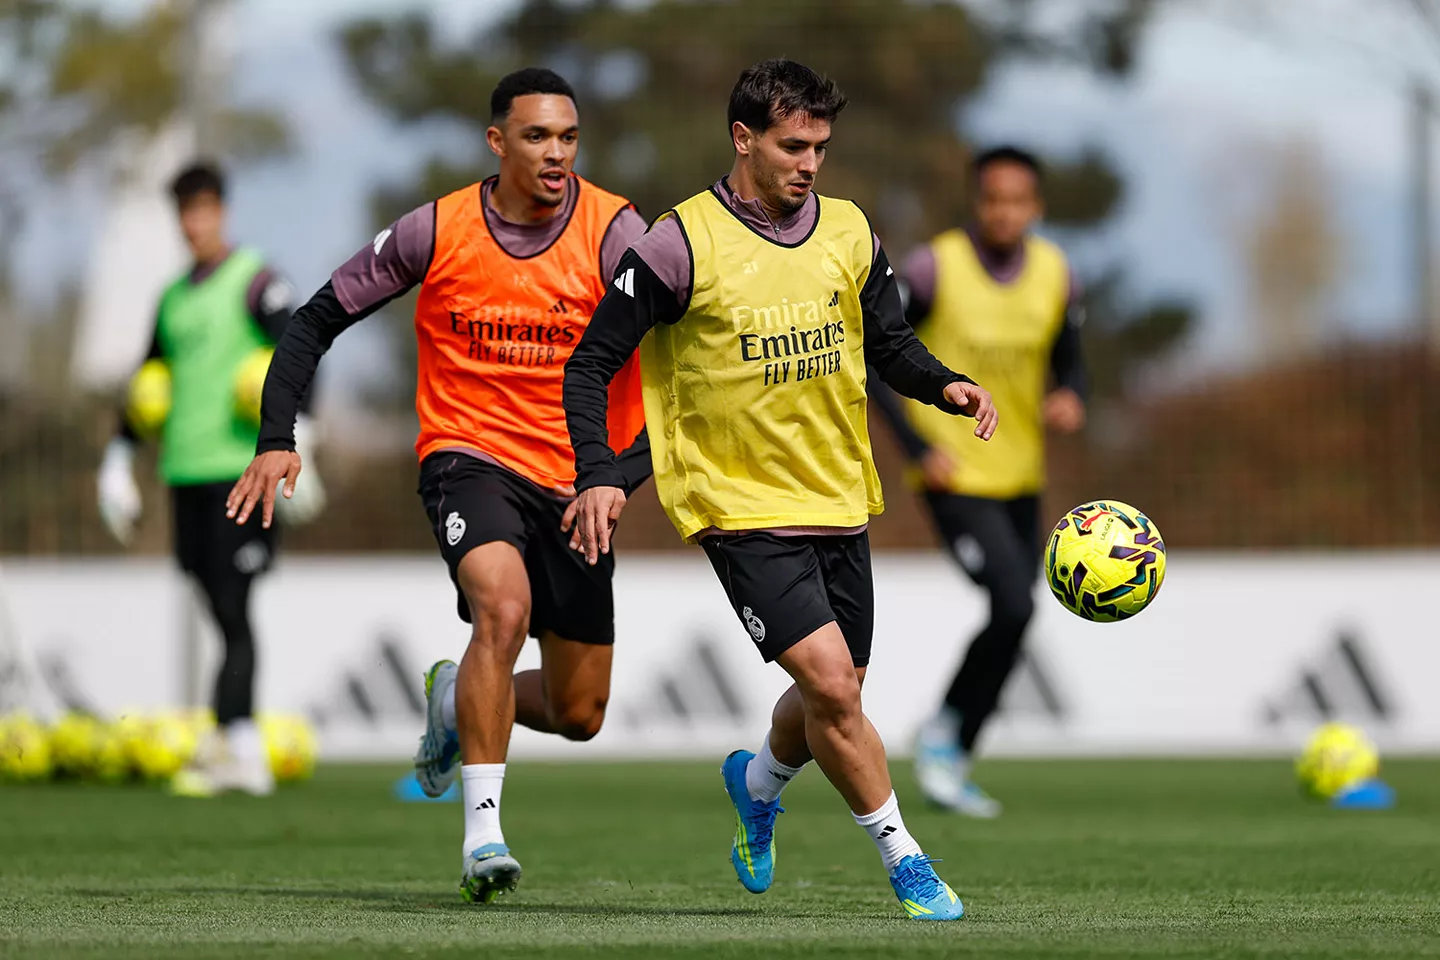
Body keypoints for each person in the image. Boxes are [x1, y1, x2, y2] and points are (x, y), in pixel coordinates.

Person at [563, 59, 996, 922]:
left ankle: (757, 783)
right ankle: (907, 860)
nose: (810, 163)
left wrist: (943, 383)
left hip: (836, 494)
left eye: (820, 147)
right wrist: (599, 474)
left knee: (838, 693)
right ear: (743, 138)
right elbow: (591, 364)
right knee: (833, 687)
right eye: (793, 145)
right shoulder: (679, 243)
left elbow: (890, 343)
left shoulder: (849, 230)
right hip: (736, 506)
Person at [225, 68, 649, 904]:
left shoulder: (615, 231)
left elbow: (686, 349)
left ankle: (456, 701)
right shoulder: (436, 230)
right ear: (496, 142)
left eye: (567, 137)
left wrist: (619, 475)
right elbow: (315, 320)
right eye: (536, 136)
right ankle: (483, 837)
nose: (556, 153)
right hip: (468, 456)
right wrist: (277, 438)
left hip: (578, 479)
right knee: (503, 609)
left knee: (580, 713)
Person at [97, 161, 321, 797]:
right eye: (184, 213)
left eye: (202, 210)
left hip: (241, 473)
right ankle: (231, 739)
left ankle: (242, 746)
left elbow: (302, 349)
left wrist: (303, 433)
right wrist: (118, 457)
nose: (193, 223)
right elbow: (148, 380)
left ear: (221, 210)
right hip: (184, 471)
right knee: (216, 605)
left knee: (233, 605)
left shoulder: (258, 281)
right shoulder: (171, 298)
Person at [875, 145, 1087, 818]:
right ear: (977, 202)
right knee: (1014, 605)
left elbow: (1070, 357)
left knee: (1016, 611)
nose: (1004, 212)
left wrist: (1071, 395)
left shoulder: (1056, 274)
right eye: (993, 199)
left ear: (1036, 207)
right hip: (954, 472)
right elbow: (877, 358)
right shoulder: (933, 269)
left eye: (1017, 200)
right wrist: (917, 447)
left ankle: (952, 745)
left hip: (1021, 476)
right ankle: (948, 738)